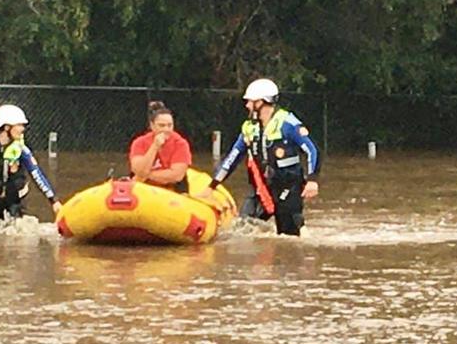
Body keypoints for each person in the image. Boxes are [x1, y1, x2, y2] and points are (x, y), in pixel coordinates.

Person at [203, 78, 320, 236]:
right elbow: (232, 159)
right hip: (262, 188)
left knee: (288, 236)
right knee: (243, 227)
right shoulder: (249, 129)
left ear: (262, 102)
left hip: (288, 187)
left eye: (250, 102)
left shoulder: (288, 124)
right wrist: (212, 186)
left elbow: (312, 150)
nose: (247, 106)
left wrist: (312, 180)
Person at [0, 104, 62, 230]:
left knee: (16, 236)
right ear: (6, 127)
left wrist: (54, 201)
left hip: (14, 201)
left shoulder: (21, 150)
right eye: (20, 125)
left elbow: (36, 174)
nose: (23, 129)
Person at [129, 101, 193, 192]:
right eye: (161, 126)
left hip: (172, 189)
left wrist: (146, 175)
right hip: (143, 189)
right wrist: (154, 146)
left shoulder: (180, 144)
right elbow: (138, 169)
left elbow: (176, 176)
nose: (166, 129)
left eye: (169, 125)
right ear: (152, 126)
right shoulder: (139, 142)